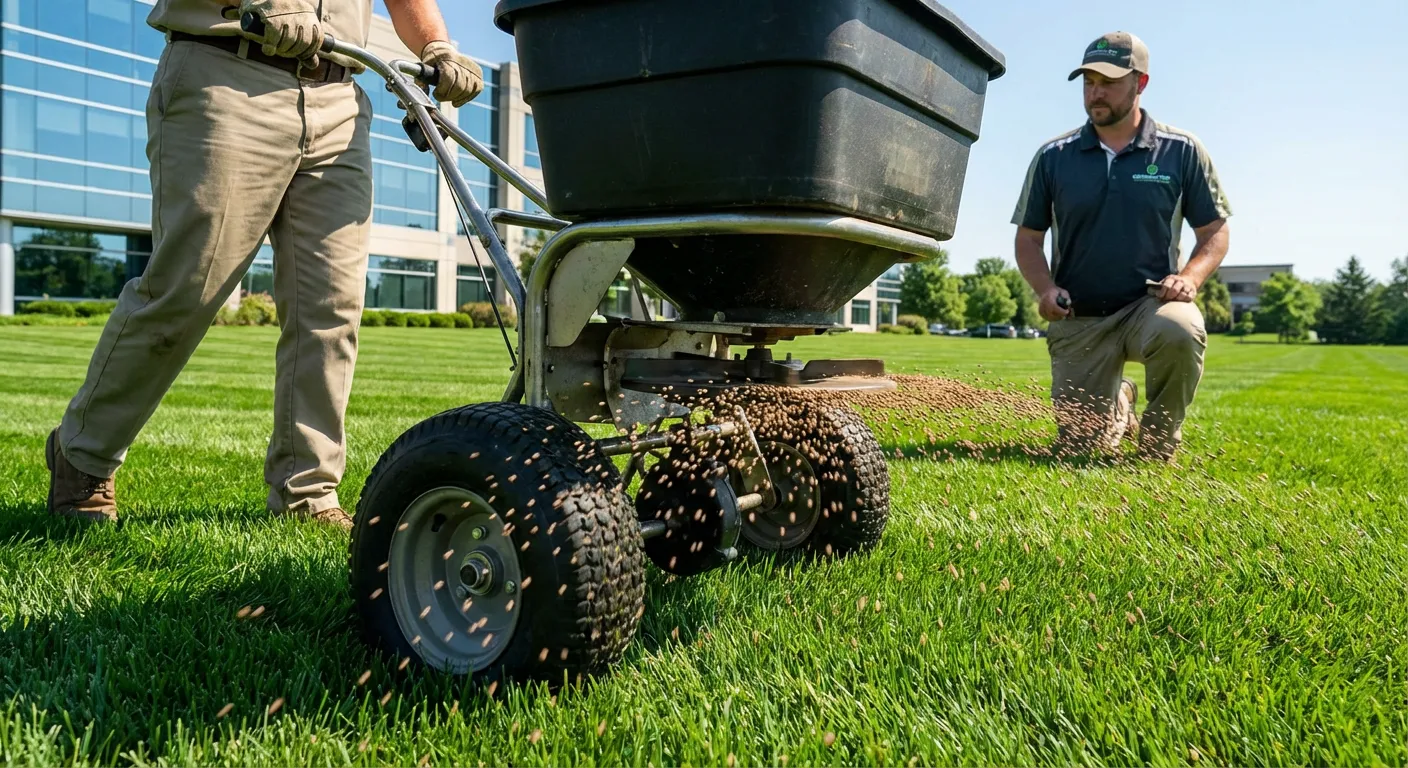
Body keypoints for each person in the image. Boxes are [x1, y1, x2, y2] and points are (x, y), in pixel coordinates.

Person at [44, 0, 484, 527]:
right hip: (229, 73)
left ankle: (308, 491)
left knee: (331, 308)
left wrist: (436, 44)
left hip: (339, 99)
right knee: (189, 287)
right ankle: (83, 455)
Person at [1011, 31, 1231, 461]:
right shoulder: (1054, 156)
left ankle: (1157, 446)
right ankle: (1120, 403)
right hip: (1079, 315)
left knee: (1181, 329)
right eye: (1089, 82)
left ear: (1140, 83)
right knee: (1080, 450)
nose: (1096, 93)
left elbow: (1215, 232)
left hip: (1151, 306)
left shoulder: (1181, 151)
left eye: (1109, 82)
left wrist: (1189, 279)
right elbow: (1028, 239)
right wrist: (1045, 290)